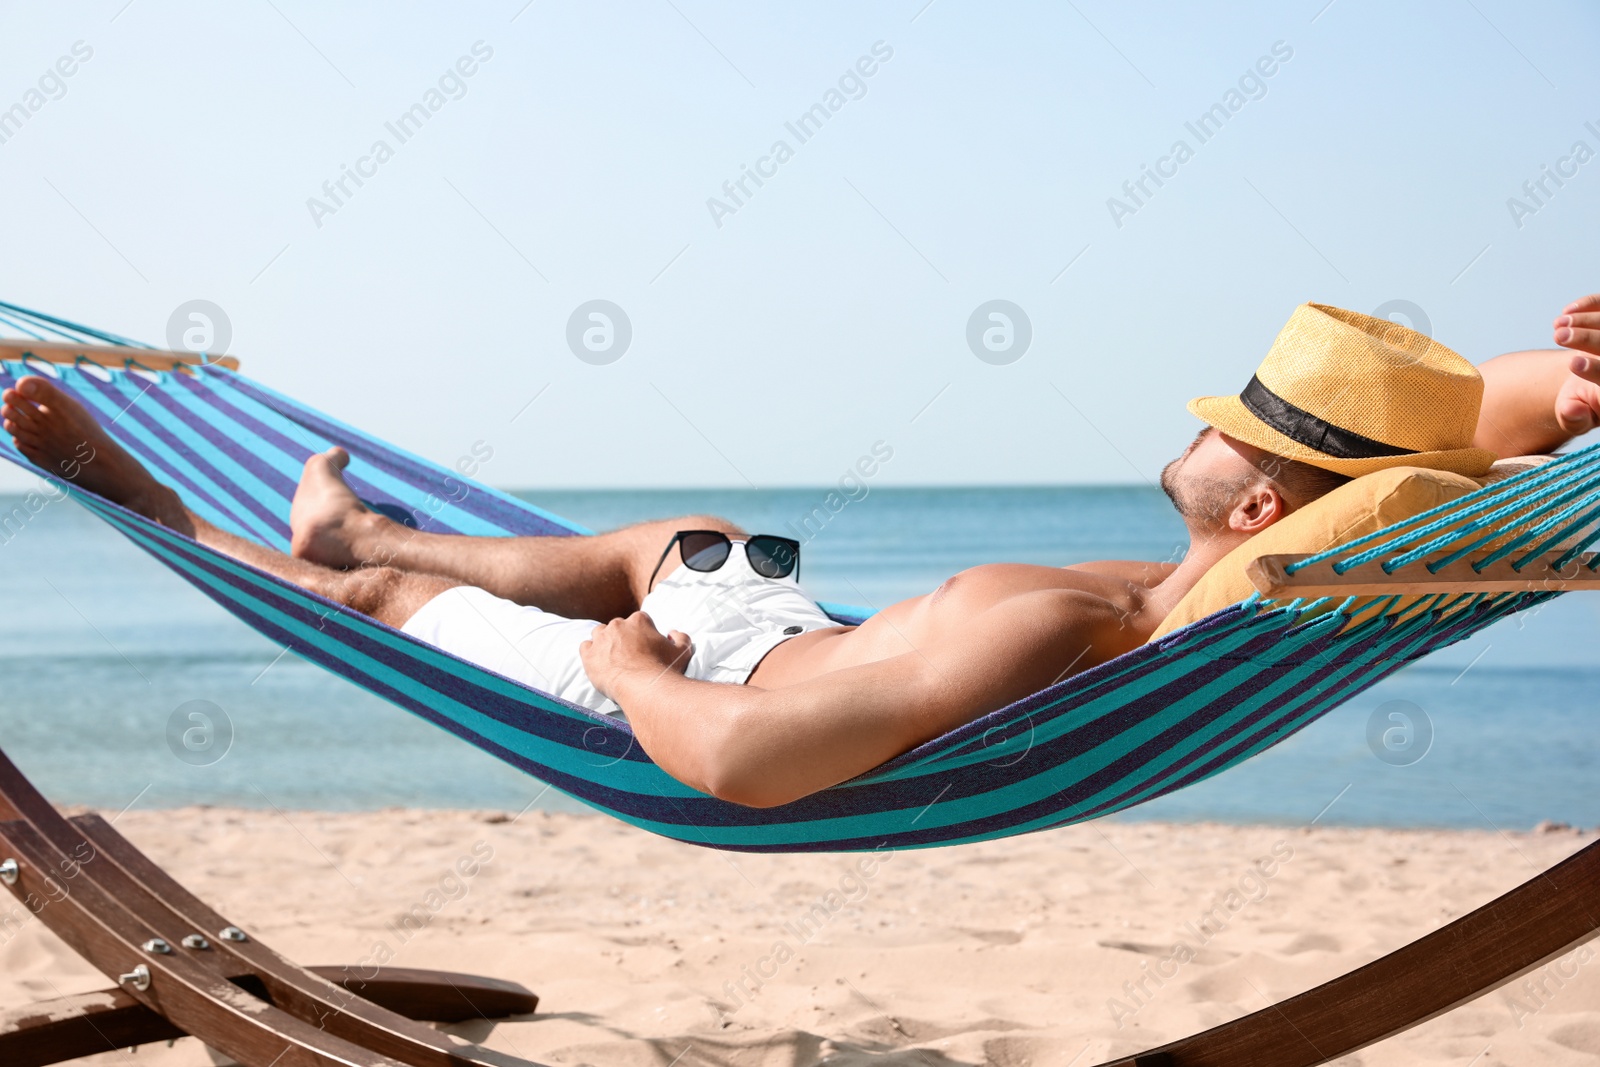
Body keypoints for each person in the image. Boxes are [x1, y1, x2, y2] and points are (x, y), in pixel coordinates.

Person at [6, 301, 1600, 807]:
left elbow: (748, 769)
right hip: (792, 627)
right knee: (684, 536)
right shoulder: (1200, 577)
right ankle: (367, 523)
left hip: (709, 691)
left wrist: (633, 673)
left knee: (386, 612)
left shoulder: (1055, 633)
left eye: (1239, 426)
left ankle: (181, 512)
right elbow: (1493, 421)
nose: (1205, 420)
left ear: (1259, 510)